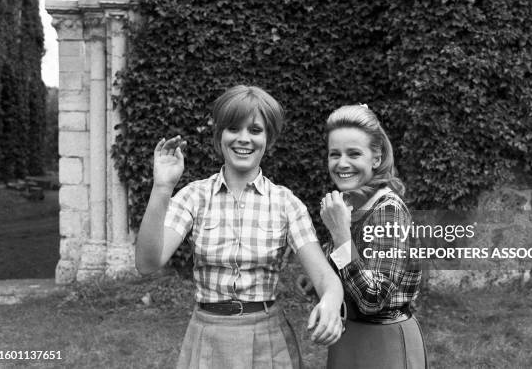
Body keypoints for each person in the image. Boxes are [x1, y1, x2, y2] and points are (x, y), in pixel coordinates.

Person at [135, 85, 344, 369]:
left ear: (268, 139)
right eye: (234, 128)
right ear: (219, 135)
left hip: (268, 340)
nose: (244, 138)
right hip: (208, 335)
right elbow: (148, 263)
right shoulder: (193, 196)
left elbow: (325, 279)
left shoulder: (286, 203)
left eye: (255, 130)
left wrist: (331, 300)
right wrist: (162, 186)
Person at [298, 104, 427, 368]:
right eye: (335, 154)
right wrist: (322, 276)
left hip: (383, 343)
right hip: (350, 337)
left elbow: (372, 299)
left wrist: (340, 234)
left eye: (353, 153)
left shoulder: (389, 211)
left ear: (376, 158)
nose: (341, 163)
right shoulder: (354, 204)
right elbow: (354, 274)